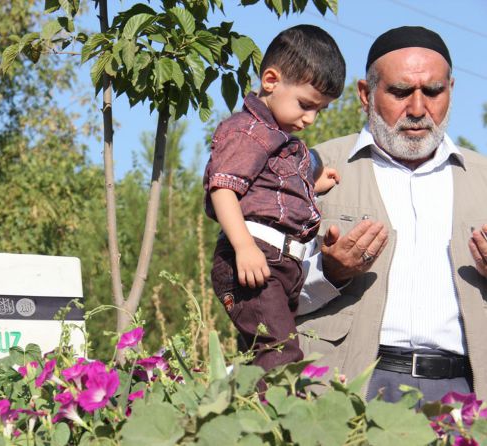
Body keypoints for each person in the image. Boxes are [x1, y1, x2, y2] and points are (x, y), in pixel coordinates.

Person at [296, 26, 487, 403]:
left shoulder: (483, 180)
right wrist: (328, 273)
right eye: (400, 92)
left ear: (450, 89)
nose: (418, 110)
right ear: (365, 95)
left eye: (433, 92)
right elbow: (253, 292)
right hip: (348, 387)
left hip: (464, 394)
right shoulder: (310, 168)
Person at [204, 24, 345, 372]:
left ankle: (252, 418)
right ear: (270, 81)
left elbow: (272, 189)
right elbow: (223, 190)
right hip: (256, 255)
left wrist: (312, 184)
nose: (310, 118)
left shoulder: (280, 139)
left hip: (282, 264)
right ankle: (283, 420)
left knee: (262, 355)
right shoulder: (247, 131)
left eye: (320, 110)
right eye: (306, 105)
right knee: (280, 355)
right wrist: (243, 247)